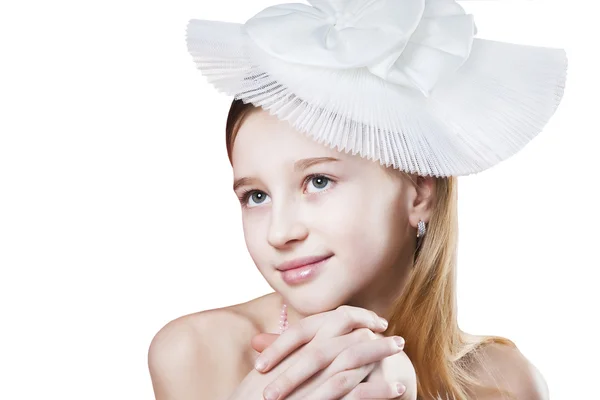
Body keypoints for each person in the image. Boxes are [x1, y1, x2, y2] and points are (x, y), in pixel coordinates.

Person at [148, 1, 567, 399]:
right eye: (256, 196)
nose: (279, 232)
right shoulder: (197, 354)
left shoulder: (506, 383)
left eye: (317, 182)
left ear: (420, 191)